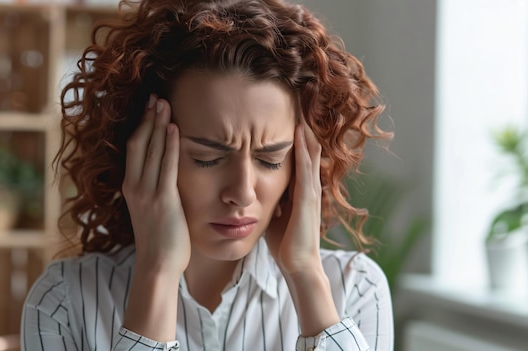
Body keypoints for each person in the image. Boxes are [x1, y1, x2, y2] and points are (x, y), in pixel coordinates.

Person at [21, 0, 394, 350]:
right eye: (207, 158)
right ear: (142, 153)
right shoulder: (63, 301)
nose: (243, 193)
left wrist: (307, 276)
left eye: (270, 159)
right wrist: (157, 275)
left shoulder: (356, 291)